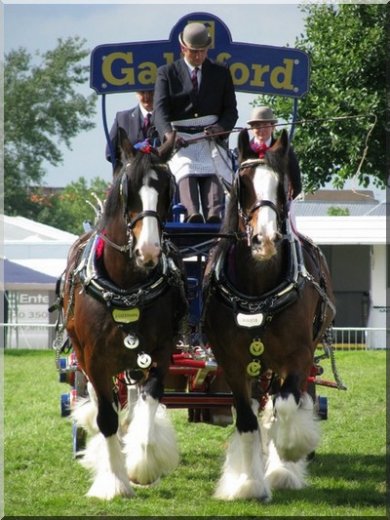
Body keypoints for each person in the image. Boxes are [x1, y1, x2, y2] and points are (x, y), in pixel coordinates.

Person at [153, 21, 238, 224]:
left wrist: (221, 128)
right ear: (183, 48)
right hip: (180, 139)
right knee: (186, 167)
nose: (198, 56)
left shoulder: (221, 71)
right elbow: (160, 112)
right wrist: (169, 137)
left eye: (202, 51)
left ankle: (214, 214)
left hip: (210, 138)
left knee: (215, 167)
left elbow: (230, 111)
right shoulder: (167, 73)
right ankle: (192, 213)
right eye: (193, 52)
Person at [246, 106, 302, 200]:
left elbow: (296, 183)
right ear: (252, 129)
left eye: (265, 125)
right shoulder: (245, 150)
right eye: (257, 126)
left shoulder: (285, 150)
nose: (261, 130)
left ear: (273, 127)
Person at [105, 90, 159, 165]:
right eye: (142, 92)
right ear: (136, 93)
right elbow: (110, 153)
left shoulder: (170, 117)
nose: (147, 96)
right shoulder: (122, 118)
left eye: (151, 92)